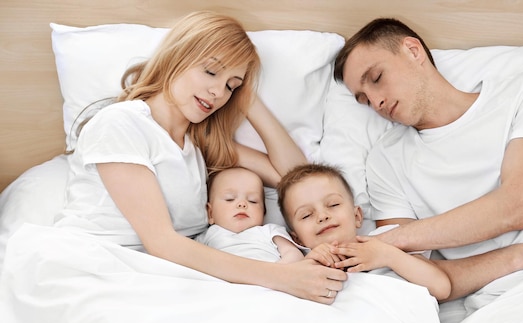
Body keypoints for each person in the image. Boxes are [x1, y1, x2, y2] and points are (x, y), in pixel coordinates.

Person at [53, 11, 346, 305]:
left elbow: (297, 178)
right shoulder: (121, 123)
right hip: (97, 268)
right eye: (210, 71)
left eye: (231, 85)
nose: (218, 92)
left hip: (157, 277)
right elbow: (162, 243)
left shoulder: (198, 144)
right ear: (177, 57)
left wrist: (247, 99)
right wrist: (283, 277)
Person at [333, 17, 523, 301]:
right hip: (500, 301)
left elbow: (515, 207)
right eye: (363, 99)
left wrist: (386, 241)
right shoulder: (386, 161)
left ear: (413, 50)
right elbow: (424, 278)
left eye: (376, 78)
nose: (376, 102)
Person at [277, 163, 452, 300]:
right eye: (307, 215)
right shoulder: (301, 265)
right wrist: (311, 263)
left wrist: (388, 256)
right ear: (297, 239)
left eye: (333, 205)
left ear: (357, 216)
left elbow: (441, 288)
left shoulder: (385, 243)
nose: (322, 216)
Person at [195, 166, 304, 263]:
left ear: (263, 213)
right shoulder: (208, 236)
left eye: (253, 201)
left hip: (268, 281)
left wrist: (277, 272)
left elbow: (294, 254)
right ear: (210, 213)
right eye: (230, 199)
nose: (242, 204)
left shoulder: (270, 232)